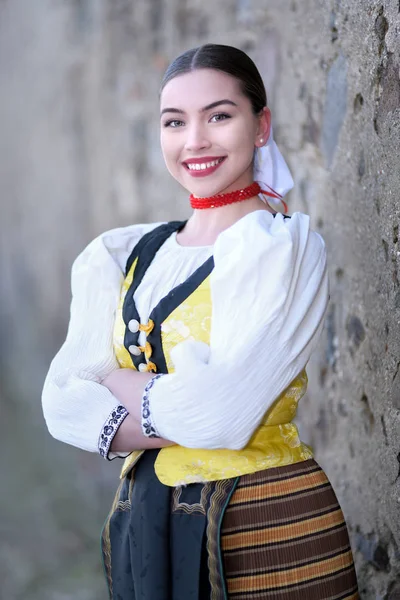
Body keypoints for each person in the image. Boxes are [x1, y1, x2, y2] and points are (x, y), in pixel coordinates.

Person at [42, 44, 359, 599]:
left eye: (219, 115)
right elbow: (61, 405)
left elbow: (221, 417)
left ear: (260, 126)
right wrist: (177, 397)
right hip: (143, 525)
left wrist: (116, 384)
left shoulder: (283, 249)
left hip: (265, 525)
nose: (195, 141)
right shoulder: (120, 255)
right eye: (174, 122)